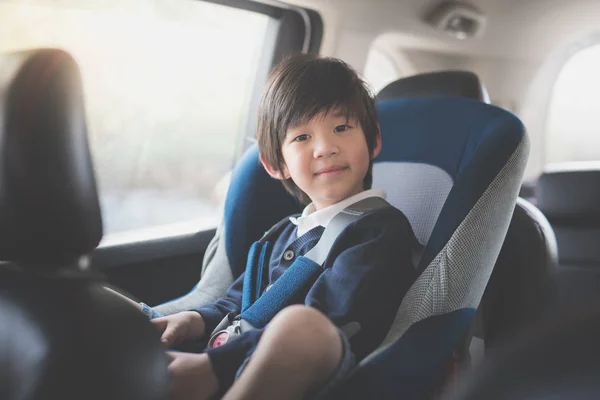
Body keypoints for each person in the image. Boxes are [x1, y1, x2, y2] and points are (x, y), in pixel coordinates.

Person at [146, 54, 417, 400]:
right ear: (276, 165)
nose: (325, 148)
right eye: (302, 137)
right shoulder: (281, 234)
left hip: (320, 377)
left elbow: (336, 319)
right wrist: (196, 320)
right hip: (238, 358)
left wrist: (219, 366)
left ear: (373, 140)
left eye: (341, 128)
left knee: (303, 326)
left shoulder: (379, 231)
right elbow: (238, 302)